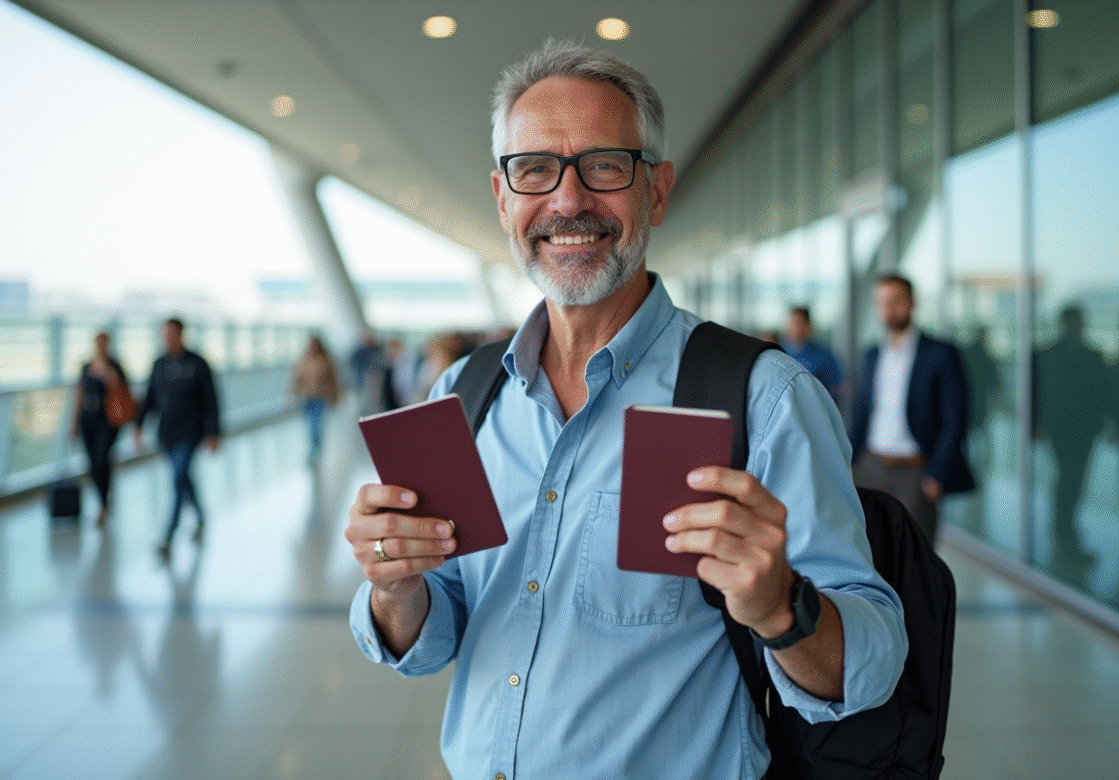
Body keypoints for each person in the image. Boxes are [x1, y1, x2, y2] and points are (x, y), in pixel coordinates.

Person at [345, 41, 906, 780]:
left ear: (658, 191)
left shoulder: (761, 396)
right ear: (503, 198)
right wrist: (395, 586)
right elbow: (436, 629)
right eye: (535, 169)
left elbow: (874, 662)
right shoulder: (463, 391)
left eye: (605, 165)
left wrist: (780, 607)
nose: (569, 200)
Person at [848, 274, 975, 547]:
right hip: (869, 468)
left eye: (897, 301)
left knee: (916, 559)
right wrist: (848, 461)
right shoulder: (871, 355)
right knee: (868, 554)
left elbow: (956, 419)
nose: (889, 310)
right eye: (883, 303)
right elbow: (860, 413)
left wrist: (937, 474)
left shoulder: (940, 353)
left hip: (916, 474)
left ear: (912, 304)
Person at [1032, 305, 1113, 570]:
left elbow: (1105, 392)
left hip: (1086, 428)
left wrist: (1112, 424)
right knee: (1068, 475)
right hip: (1058, 428)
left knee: (1076, 477)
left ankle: (1065, 526)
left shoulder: (1094, 355)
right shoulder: (1045, 355)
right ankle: (1064, 529)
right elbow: (1035, 393)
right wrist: (1035, 425)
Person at [134, 317, 221, 558]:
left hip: (190, 433)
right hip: (167, 435)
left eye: (172, 334)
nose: (168, 338)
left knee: (177, 478)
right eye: (165, 334)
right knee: (183, 478)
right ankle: (201, 516)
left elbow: (211, 400)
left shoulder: (197, 364)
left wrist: (213, 433)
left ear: (181, 334)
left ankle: (168, 535)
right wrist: (138, 427)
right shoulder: (159, 365)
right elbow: (149, 398)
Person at [70, 331, 131, 526]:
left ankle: (104, 504)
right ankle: (103, 498)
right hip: (89, 420)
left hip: (108, 421)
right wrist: (73, 424)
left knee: (101, 458)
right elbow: (79, 394)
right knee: (92, 463)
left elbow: (122, 390)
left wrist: (107, 373)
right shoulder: (86, 366)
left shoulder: (115, 366)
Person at [289, 334, 341, 461]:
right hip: (307, 398)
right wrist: (293, 395)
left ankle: (317, 449)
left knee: (317, 425)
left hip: (320, 398)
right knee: (309, 425)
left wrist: (335, 396)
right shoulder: (303, 361)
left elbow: (333, 380)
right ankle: (313, 449)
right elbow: (295, 379)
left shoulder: (325, 361)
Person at [780, 306, 844, 403]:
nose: (794, 327)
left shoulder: (823, 355)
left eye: (798, 323)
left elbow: (836, 388)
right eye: (791, 323)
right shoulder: (779, 353)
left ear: (807, 325)